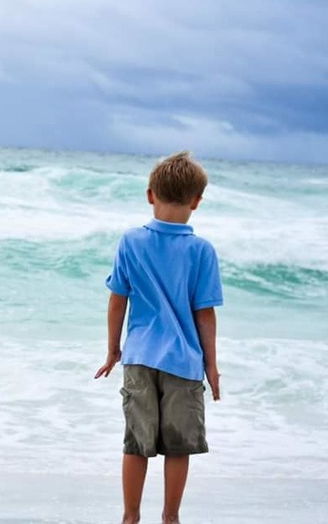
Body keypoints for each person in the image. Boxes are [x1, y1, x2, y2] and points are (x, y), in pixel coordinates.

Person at [95, 151, 223, 524]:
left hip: (139, 357)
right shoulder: (201, 251)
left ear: (150, 194)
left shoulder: (130, 241)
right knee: (178, 446)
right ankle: (171, 517)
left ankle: (130, 517)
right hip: (184, 362)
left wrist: (113, 350)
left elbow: (117, 300)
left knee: (136, 443)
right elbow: (205, 313)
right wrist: (212, 366)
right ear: (196, 201)